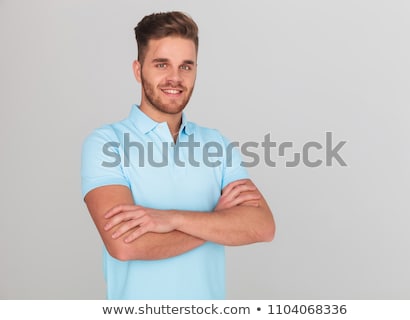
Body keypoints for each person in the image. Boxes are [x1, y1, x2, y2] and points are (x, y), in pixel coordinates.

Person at [81, 11, 275, 300]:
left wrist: (171, 219)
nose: (175, 78)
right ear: (138, 70)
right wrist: (216, 220)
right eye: (162, 64)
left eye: (186, 66)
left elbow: (261, 227)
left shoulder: (216, 144)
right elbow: (125, 245)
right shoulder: (106, 143)